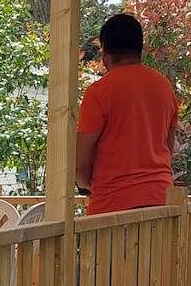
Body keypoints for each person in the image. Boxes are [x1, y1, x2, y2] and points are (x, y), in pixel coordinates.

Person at [75, 13, 179, 216]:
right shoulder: (164, 86)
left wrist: (83, 182)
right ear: (140, 48)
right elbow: (168, 145)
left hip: (113, 206)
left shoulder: (99, 92)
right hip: (162, 200)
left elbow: (81, 160)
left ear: (105, 51)